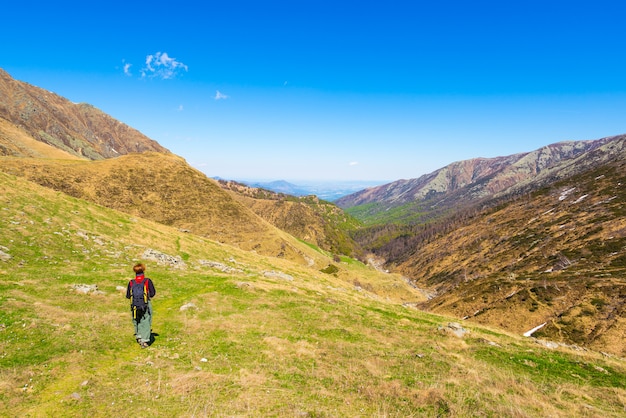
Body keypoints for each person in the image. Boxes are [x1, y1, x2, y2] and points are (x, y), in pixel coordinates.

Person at [126, 263, 156, 348]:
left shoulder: (131, 282)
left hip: (134, 305)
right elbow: (153, 293)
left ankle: (138, 336)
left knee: (136, 319)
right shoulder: (147, 281)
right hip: (145, 304)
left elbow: (128, 295)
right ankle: (144, 340)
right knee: (146, 320)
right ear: (143, 270)